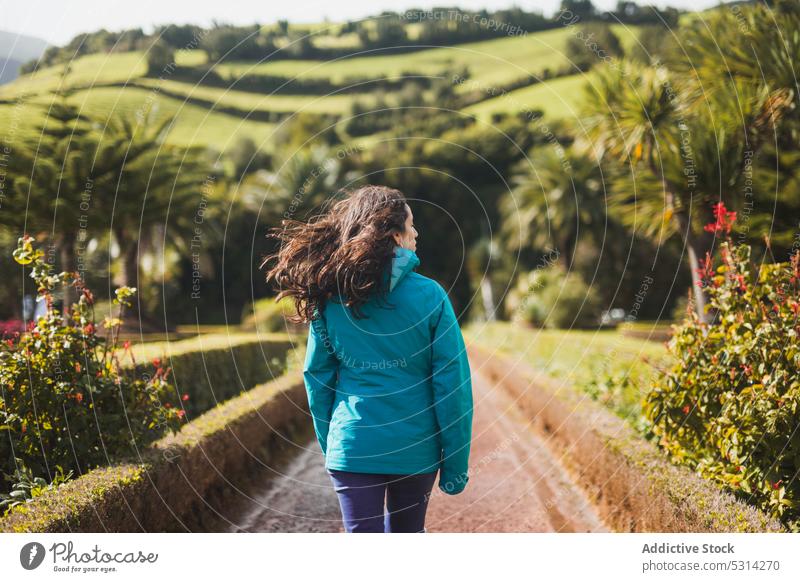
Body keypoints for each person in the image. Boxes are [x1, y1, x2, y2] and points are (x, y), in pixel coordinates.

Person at [263, 185, 473, 533]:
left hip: (353, 444)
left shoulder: (329, 298)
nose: (416, 233)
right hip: (416, 449)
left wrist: (336, 444)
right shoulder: (431, 296)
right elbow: (453, 386)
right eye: (411, 225)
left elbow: (317, 378)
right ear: (395, 235)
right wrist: (454, 465)